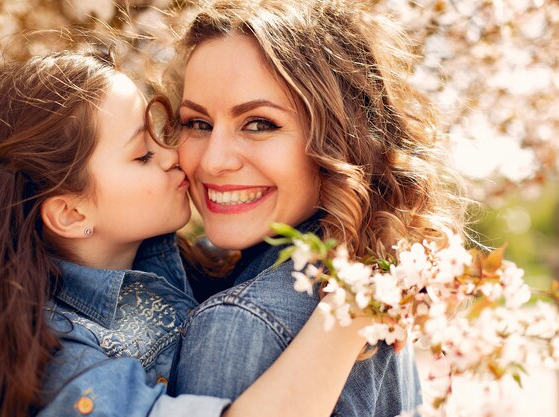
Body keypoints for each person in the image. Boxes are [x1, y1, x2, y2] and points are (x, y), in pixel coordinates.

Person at [0, 48, 389, 417]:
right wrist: (352, 311)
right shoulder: (57, 358)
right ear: (71, 213)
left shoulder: (178, 264)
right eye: (142, 155)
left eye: (163, 132)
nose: (173, 154)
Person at [170, 1, 467, 416]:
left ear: (342, 139)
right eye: (198, 124)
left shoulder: (241, 322)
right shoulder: (374, 279)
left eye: (259, 123)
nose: (213, 161)